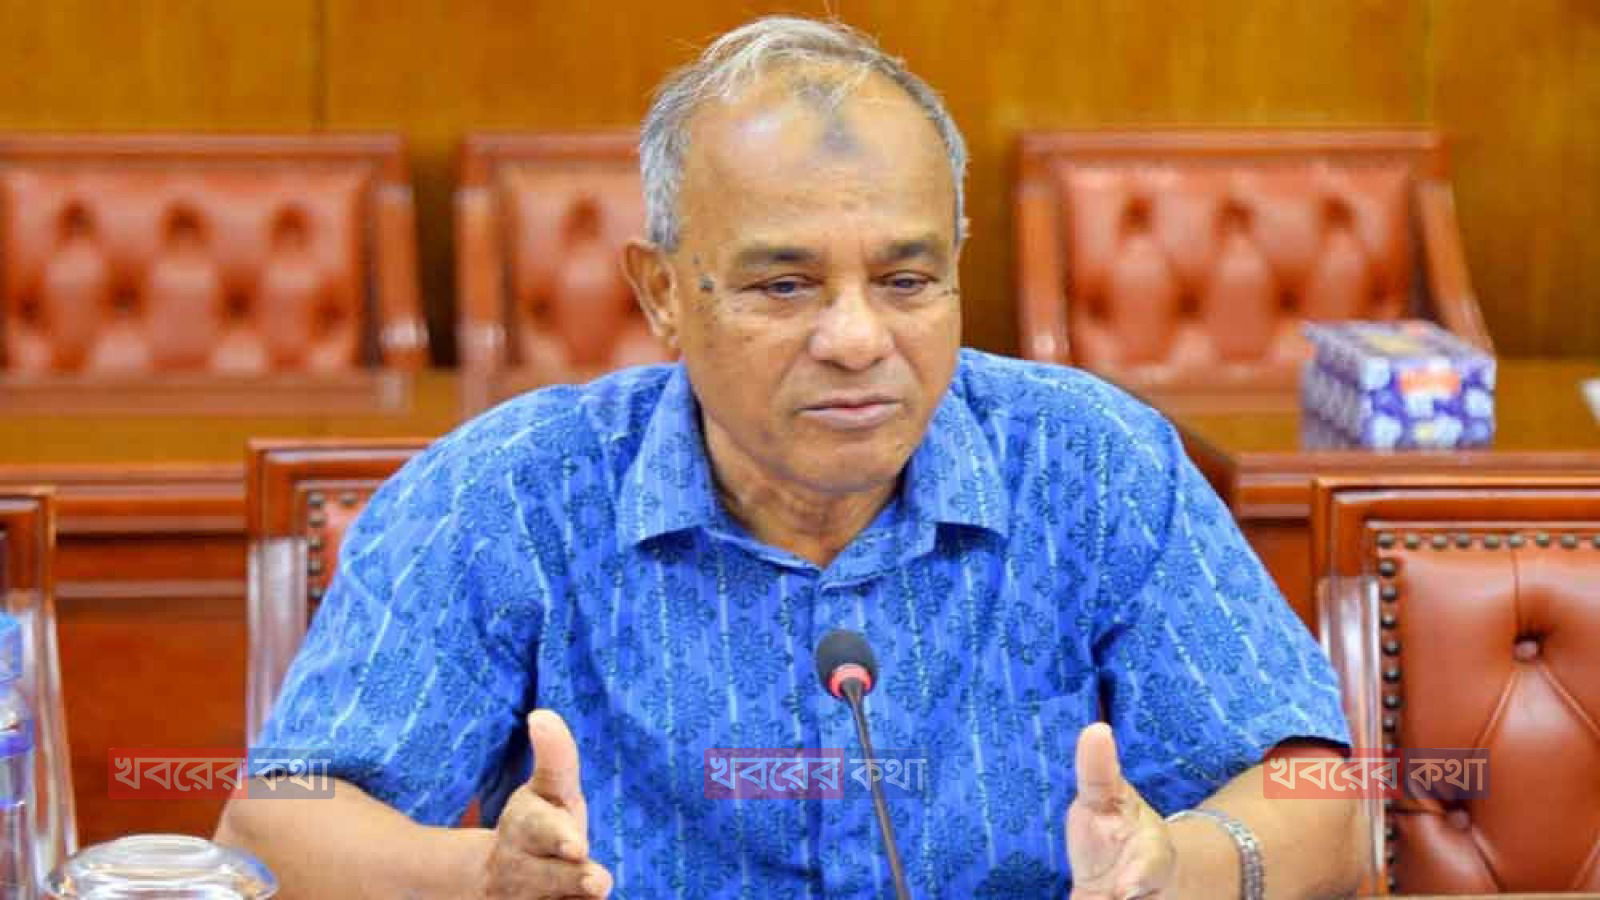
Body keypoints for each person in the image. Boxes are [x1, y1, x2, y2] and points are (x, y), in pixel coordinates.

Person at [217, 16, 1360, 899]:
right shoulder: (512, 491)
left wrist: (1181, 868)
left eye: (906, 280)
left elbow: (1320, 796)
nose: (857, 338)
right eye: (784, 285)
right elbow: (274, 828)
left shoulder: (1095, 464)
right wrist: (482, 876)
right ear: (662, 293)